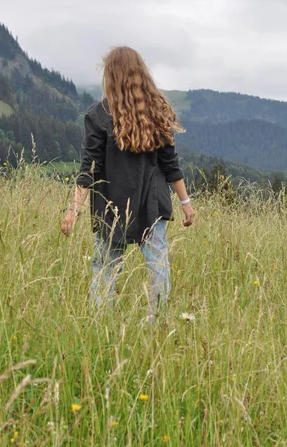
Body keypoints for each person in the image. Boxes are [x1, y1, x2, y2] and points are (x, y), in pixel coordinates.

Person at [61, 46, 194, 317]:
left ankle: (100, 327)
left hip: (112, 205)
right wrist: (185, 203)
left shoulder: (98, 115)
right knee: (158, 268)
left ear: (111, 75)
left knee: (105, 271)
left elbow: (88, 169)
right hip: (152, 204)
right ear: (140, 74)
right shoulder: (157, 110)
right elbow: (171, 165)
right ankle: (156, 328)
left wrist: (72, 211)